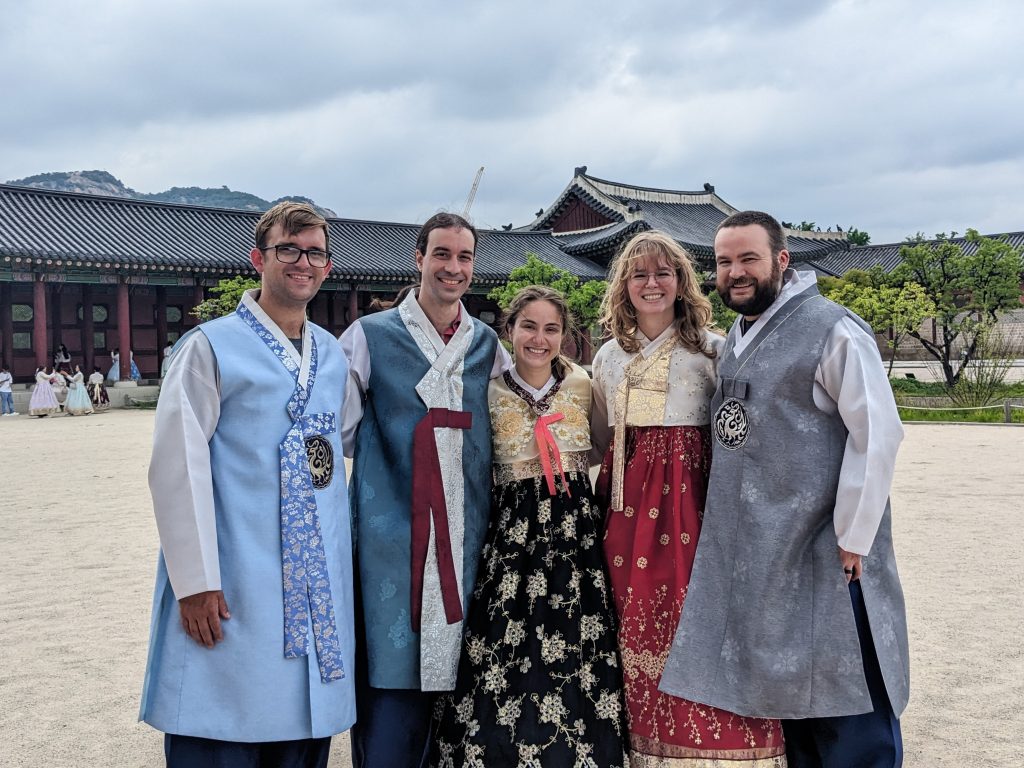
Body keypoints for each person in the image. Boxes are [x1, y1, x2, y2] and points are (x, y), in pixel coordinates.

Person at [659, 211, 910, 768]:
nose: (735, 273)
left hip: (826, 546)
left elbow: (877, 433)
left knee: (848, 702)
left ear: (781, 259)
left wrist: (854, 536)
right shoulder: (736, 340)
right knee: (791, 702)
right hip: (765, 550)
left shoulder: (832, 328)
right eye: (724, 263)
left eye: (748, 258)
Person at [139, 202, 356, 767]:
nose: (302, 262)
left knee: (302, 727)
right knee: (225, 715)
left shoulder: (331, 355)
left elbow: (344, 444)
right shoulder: (209, 346)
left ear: (328, 267)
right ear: (259, 259)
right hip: (237, 566)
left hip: (312, 576)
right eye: (289, 249)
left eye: (314, 252)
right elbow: (176, 466)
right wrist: (194, 581)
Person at [591, 230, 786, 766]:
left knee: (695, 618)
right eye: (639, 274)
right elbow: (602, 439)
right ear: (623, 286)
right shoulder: (607, 357)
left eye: (663, 273)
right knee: (627, 622)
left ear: (680, 281)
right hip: (625, 509)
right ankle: (639, 746)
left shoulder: (713, 350)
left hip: (693, 506)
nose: (651, 284)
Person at [430, 286, 628, 767]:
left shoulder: (583, 385)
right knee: (506, 643)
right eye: (529, 326)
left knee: (577, 642)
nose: (539, 339)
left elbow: (602, 447)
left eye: (552, 328)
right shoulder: (488, 389)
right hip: (513, 537)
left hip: (574, 536)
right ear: (510, 330)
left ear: (565, 335)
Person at [340, 211, 511, 768]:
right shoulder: (369, 336)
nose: (453, 267)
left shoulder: (487, 345)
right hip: (391, 538)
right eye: (442, 254)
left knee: (462, 692)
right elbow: (339, 430)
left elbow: (512, 425)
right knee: (389, 675)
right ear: (419, 259)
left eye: (464, 257)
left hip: (468, 537)